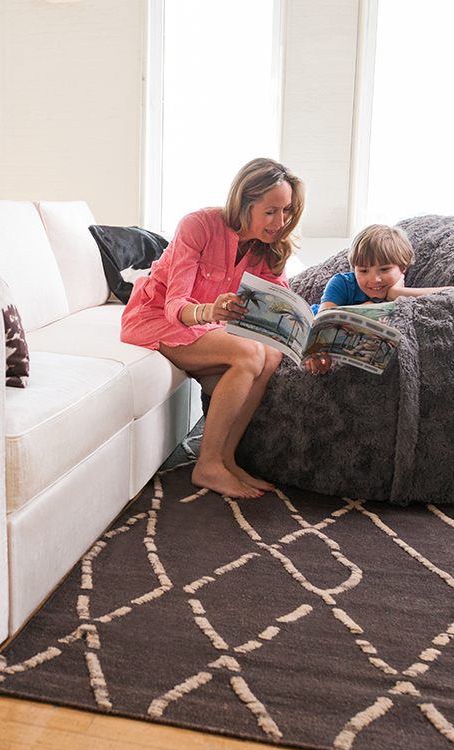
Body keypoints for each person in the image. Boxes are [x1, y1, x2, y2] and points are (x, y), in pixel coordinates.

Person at [120, 158, 320, 500]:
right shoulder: (198, 225)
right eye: (271, 211)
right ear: (245, 203)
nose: (280, 221)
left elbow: (280, 312)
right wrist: (210, 311)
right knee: (248, 353)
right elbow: (174, 305)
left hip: (208, 327)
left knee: (270, 354)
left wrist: (309, 346)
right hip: (156, 318)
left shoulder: (268, 248)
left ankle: (226, 459)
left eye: (286, 210)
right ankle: (208, 464)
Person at [314, 223, 448, 313]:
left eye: (384, 269)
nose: (374, 279)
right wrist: (377, 303)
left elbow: (451, 294)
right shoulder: (341, 283)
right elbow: (324, 319)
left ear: (403, 267)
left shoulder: (402, 289)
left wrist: (397, 293)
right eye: (363, 271)